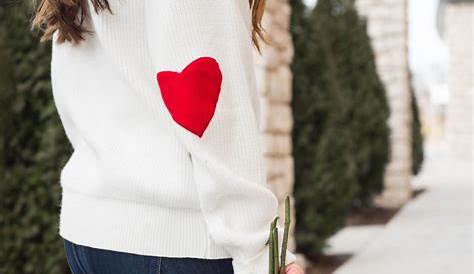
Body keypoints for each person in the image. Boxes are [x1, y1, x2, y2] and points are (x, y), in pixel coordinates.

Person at [33, 0, 305, 274]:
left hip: (89, 232)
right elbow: (218, 123)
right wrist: (260, 253)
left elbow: (76, 97)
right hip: (175, 244)